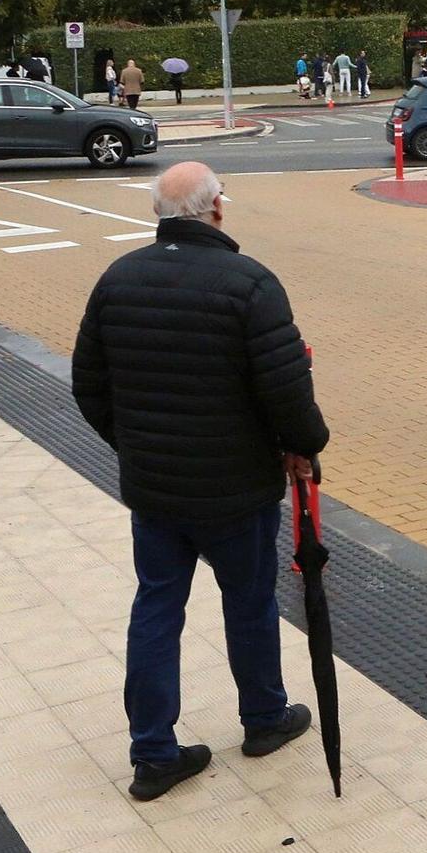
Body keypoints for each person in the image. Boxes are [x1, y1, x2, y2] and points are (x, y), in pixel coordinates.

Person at [73, 161, 328, 802]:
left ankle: (153, 753)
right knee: (249, 600)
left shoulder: (118, 280)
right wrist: (303, 446)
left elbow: (88, 385)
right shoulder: (249, 283)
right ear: (217, 207)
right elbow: (286, 389)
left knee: (157, 607)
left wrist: (135, 445)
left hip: (155, 489)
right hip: (238, 486)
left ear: (157, 214)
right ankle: (264, 717)